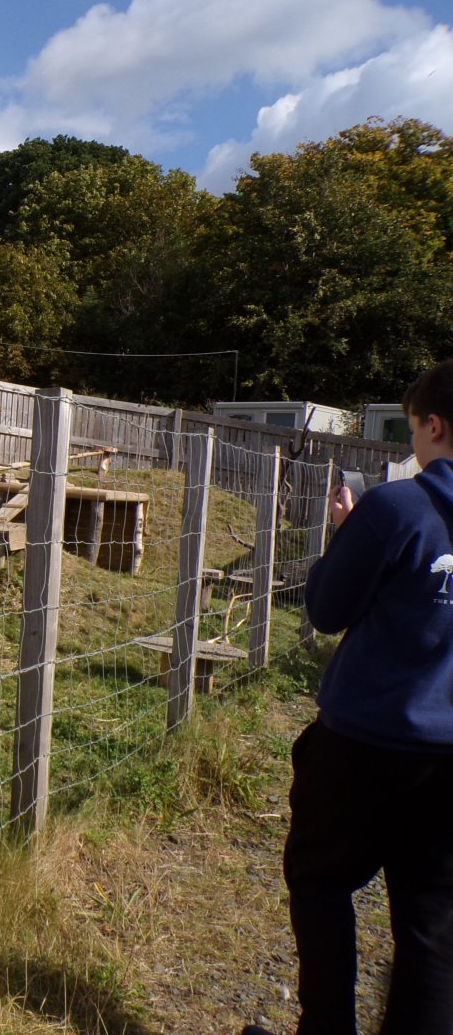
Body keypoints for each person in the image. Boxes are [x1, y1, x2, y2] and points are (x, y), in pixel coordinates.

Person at [248, 361, 453, 1035]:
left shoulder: (399, 507)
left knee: (321, 880)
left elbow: (329, 609)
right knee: (431, 926)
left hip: (366, 744)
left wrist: (346, 536)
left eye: (415, 428)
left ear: (435, 425)